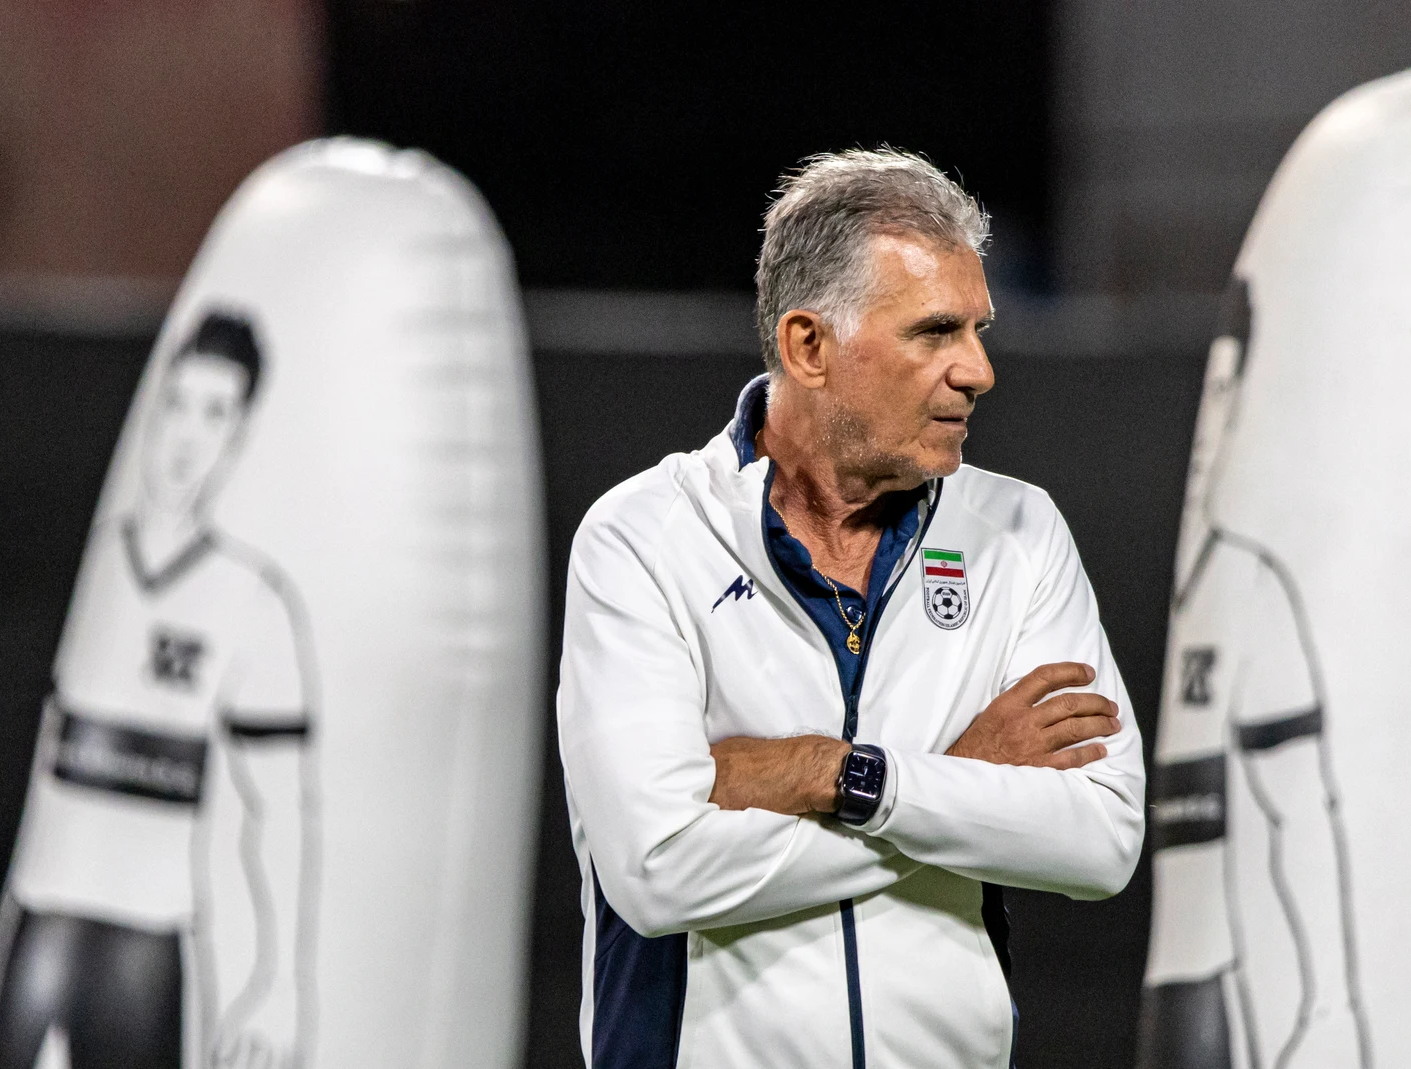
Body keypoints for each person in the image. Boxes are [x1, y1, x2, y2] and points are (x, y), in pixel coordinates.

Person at [555, 149, 1146, 1069]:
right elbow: (658, 870)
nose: (979, 369)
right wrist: (957, 783)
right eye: (935, 331)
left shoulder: (1020, 530)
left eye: (980, 328)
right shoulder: (641, 537)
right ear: (808, 347)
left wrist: (842, 777)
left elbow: (1099, 839)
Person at [0, 311, 318, 1069]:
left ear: (240, 433)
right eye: (179, 403)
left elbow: (282, 808)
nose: (188, 435)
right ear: (151, 403)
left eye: (216, 412)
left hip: (146, 948)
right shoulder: (81, 566)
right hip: (40, 927)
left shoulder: (253, 602)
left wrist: (281, 980)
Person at [1139, 279, 1367, 1069]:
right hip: (1177, 968)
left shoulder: (1255, 586)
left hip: (1240, 986)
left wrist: (1329, 1000)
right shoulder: (1185, 582)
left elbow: (1302, 806)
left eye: (1235, 392)